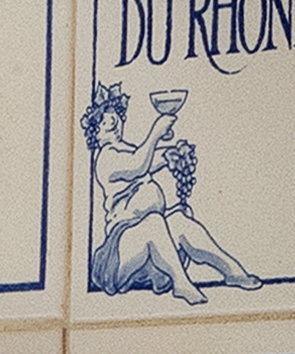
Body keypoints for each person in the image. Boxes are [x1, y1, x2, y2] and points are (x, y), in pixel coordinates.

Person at [85, 79, 263, 300]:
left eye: (115, 117)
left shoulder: (128, 149)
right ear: (96, 131)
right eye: (104, 121)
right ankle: (181, 282)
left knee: (179, 220)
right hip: (119, 252)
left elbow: (150, 159)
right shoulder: (105, 157)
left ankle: (231, 270)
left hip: (146, 252)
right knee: (153, 222)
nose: (112, 121)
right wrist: (156, 132)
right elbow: (137, 165)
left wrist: (174, 152)